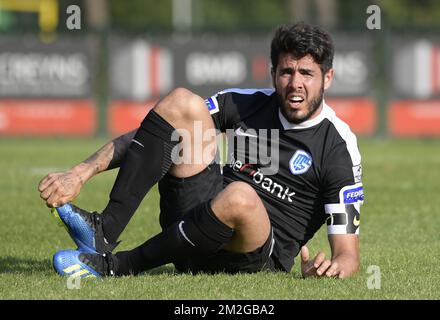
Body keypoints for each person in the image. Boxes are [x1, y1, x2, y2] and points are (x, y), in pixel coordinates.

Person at [38, 21, 363, 279]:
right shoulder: (245, 102)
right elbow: (157, 132)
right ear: (273, 73)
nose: (295, 83)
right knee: (182, 103)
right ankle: (103, 230)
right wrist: (81, 172)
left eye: (306, 73)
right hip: (195, 226)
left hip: (256, 255)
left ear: (327, 78)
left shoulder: (339, 148)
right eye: (287, 72)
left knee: (240, 195)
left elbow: (348, 254)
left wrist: (333, 268)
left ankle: (115, 266)